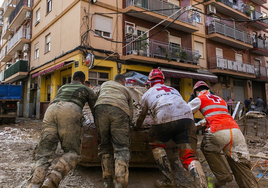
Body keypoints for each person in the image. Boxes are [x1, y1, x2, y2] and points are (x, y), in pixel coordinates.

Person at [136, 68, 207, 188]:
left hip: (164, 117)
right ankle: (202, 185)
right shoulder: (173, 89)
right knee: (188, 154)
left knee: (156, 144)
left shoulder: (148, 92)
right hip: (187, 118)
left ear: (149, 82)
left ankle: (169, 181)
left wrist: (136, 126)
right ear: (163, 80)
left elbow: (142, 114)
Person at [27, 71, 97, 188]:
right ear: (83, 81)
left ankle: (34, 184)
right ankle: (51, 181)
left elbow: (56, 100)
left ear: (72, 80)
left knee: (44, 152)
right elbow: (95, 110)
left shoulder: (63, 88)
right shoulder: (86, 89)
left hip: (50, 110)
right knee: (72, 152)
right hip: (70, 110)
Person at [188, 81, 259, 188]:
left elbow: (184, 111)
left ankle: (223, 175)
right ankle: (251, 185)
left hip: (218, 130)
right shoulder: (220, 100)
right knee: (239, 162)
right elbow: (217, 114)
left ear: (197, 92)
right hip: (235, 131)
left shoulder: (199, 98)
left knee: (207, 149)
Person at [94, 74, 133, 188]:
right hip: (119, 109)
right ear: (124, 82)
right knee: (121, 148)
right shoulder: (126, 90)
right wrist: (127, 127)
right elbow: (130, 113)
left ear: (114, 80)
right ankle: (120, 182)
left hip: (100, 108)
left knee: (105, 145)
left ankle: (107, 181)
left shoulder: (105, 84)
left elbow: (96, 99)